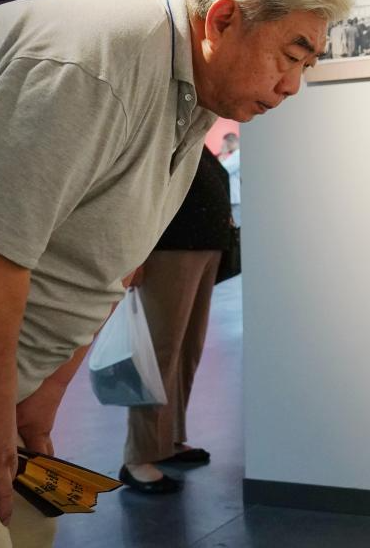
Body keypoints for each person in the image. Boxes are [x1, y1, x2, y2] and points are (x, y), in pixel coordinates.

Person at [0, 0, 351, 547]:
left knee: (32, 531)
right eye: (290, 56)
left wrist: (41, 396)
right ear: (222, 20)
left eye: (306, 65)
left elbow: (110, 264)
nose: (293, 84)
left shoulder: (190, 92)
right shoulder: (97, 65)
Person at [121, 147, 235, 494]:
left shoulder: (193, 137)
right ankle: (138, 456)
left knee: (187, 351)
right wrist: (135, 256)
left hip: (203, 247)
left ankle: (168, 440)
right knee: (159, 353)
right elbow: (136, 193)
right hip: (169, 250)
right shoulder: (160, 135)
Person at [219, 132, 241, 227]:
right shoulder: (235, 156)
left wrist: (223, 154)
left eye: (224, 144)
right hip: (233, 197)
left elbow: (221, 170)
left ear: (230, 143)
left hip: (235, 198)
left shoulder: (237, 155)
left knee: (237, 224)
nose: (223, 147)